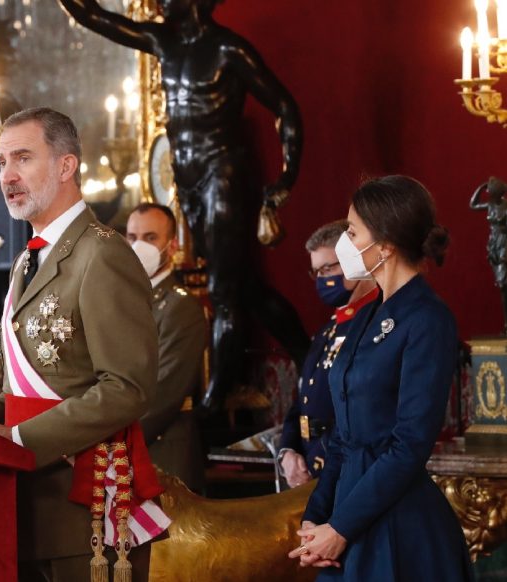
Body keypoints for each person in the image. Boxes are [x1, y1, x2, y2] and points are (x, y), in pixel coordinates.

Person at [57, 0, 310, 407]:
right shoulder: (163, 41)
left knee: (224, 291)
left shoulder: (229, 50)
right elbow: (93, 17)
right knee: (241, 285)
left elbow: (284, 106)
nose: (159, 3)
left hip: (222, 172)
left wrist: (286, 178)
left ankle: (213, 404)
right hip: (187, 179)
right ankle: (307, 353)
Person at [0, 107, 168, 582]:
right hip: (25, 503)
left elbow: (126, 387)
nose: (7, 176)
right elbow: (21, 389)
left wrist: (19, 440)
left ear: (65, 166)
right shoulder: (26, 261)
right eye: (0, 162)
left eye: (22, 158)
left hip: (85, 512)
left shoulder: (101, 253)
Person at [287, 176, 473, 580]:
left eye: (352, 232)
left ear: (385, 245)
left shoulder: (427, 318)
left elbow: (410, 444)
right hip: (346, 518)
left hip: (397, 526)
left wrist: (340, 527)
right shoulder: (366, 316)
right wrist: (315, 518)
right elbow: (342, 439)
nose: (344, 243)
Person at [277, 221, 378, 489]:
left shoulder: (377, 324)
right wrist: (287, 452)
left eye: (328, 268)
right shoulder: (326, 332)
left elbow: (365, 409)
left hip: (348, 471)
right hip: (311, 470)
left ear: (354, 260)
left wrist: (322, 460)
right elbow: (302, 404)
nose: (322, 279)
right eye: (316, 272)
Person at [126, 203, 207, 492]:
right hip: (126, 449)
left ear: (171, 247)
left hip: (163, 454)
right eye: (132, 237)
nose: (139, 246)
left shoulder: (180, 307)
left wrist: (106, 440)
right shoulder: (123, 301)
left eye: (150, 238)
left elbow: (163, 394)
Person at [470, 176, 507, 334]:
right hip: (494, 245)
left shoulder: (505, 206)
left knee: (504, 284)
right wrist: (481, 187)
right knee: (502, 286)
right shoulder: (490, 205)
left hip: (504, 244)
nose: (488, 193)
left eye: (490, 190)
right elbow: (473, 204)